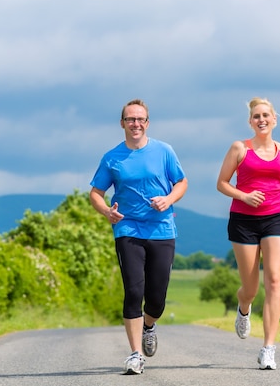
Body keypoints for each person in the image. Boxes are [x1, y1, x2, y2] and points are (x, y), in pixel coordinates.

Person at [89, 99, 188, 375]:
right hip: (128, 228)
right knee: (133, 290)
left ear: (147, 123)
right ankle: (134, 355)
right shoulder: (112, 158)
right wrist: (107, 211)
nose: (136, 124)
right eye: (130, 119)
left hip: (161, 228)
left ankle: (149, 324)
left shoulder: (164, 151)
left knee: (156, 298)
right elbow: (96, 193)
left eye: (140, 119)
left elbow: (182, 182)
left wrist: (168, 200)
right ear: (122, 123)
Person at [216, 97, 280, 370]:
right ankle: (244, 308)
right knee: (251, 288)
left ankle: (268, 349)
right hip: (243, 220)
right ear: (251, 121)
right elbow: (222, 183)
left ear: (274, 119)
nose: (261, 119)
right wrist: (244, 195)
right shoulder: (240, 148)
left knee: (275, 280)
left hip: (276, 218)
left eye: (266, 115)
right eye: (256, 116)